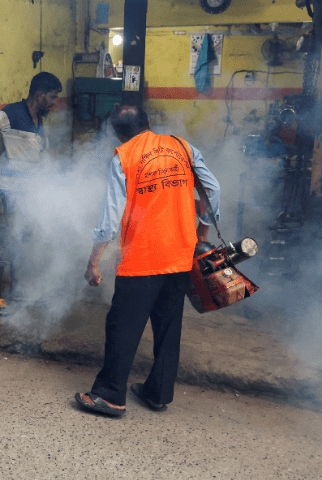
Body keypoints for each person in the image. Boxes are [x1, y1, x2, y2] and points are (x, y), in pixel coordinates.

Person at [75, 105, 220, 417]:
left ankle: (110, 395)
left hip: (142, 258)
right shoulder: (182, 146)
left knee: (122, 326)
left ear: (117, 133)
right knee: (168, 328)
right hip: (181, 255)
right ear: (149, 124)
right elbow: (213, 189)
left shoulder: (123, 157)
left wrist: (93, 262)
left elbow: (110, 215)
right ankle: (157, 394)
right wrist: (202, 232)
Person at [0, 71, 62, 315]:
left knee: (20, 239)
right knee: (1, 241)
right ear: (40, 94)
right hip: (7, 191)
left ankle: (14, 289)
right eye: (52, 97)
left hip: (28, 192)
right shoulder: (11, 112)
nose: (54, 103)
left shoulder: (39, 119)